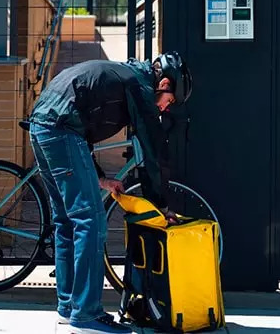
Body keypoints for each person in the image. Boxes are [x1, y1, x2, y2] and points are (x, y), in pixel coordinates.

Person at [26, 51, 192, 333]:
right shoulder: (138, 87)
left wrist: (100, 179)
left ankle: (69, 306)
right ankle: (86, 314)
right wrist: (161, 204)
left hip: (42, 127)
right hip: (61, 131)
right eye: (170, 101)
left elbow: (81, 116)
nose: (165, 109)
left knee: (67, 221)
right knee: (90, 222)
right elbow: (153, 151)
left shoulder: (123, 75)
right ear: (164, 84)